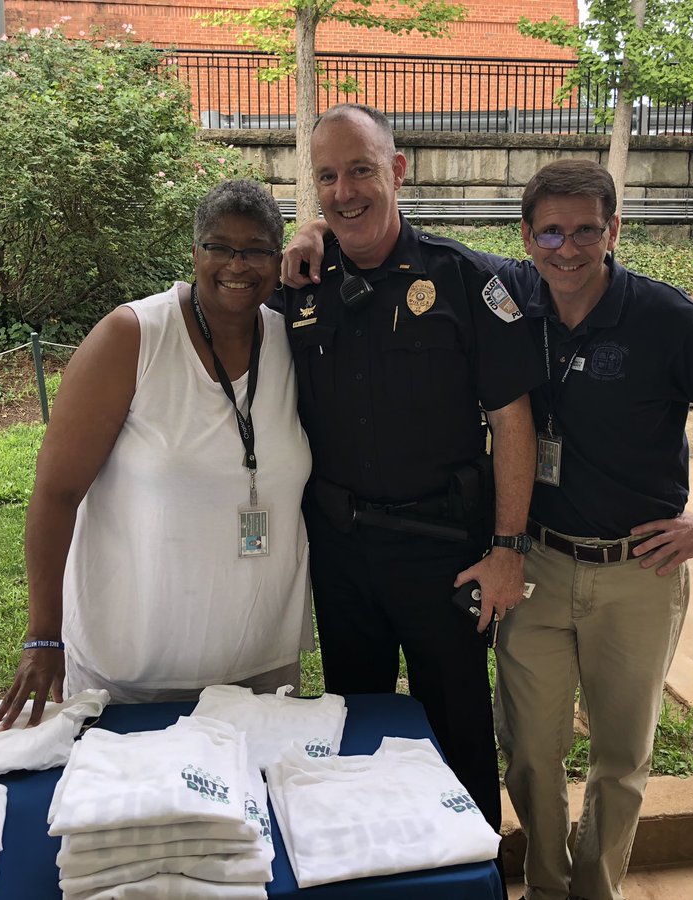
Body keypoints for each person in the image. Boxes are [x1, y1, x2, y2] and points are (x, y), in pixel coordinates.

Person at [285, 158, 693, 900]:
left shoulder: (664, 317)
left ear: (614, 231)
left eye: (586, 232)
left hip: (635, 573)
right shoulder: (510, 292)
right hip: (537, 565)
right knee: (528, 752)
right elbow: (387, 231)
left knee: (620, 758)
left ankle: (596, 889)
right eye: (550, 233)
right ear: (527, 236)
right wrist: (320, 225)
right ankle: (546, 885)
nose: (567, 250)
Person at [277, 103, 544, 833]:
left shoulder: (464, 282)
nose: (343, 191)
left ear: (397, 170)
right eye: (327, 176)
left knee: (458, 737)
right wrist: (302, 235)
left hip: (445, 558)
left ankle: (470, 878)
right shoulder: (299, 285)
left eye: (360, 169)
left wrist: (508, 550)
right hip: (343, 557)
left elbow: (511, 422)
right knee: (356, 737)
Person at [0, 179, 313, 730]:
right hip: (135, 676)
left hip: (262, 667)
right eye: (219, 247)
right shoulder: (134, 336)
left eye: (256, 249)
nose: (237, 265)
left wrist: (321, 228)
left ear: (276, 258)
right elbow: (56, 491)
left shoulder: (294, 340)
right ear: (194, 253)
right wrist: (43, 634)